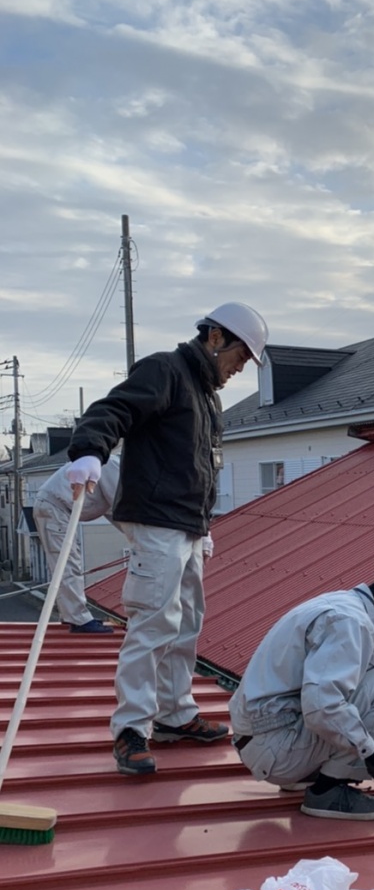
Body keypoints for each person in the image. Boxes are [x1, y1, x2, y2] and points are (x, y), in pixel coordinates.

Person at [64, 302, 268, 776]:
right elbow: (113, 409)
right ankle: (131, 728)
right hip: (157, 523)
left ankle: (175, 714)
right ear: (215, 337)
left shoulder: (205, 395)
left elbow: (199, 465)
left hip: (187, 527)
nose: (240, 368)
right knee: (154, 623)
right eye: (240, 356)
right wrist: (90, 451)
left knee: (186, 623)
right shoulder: (165, 371)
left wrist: (203, 526)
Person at [229, 558, 374, 821]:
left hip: (261, 740)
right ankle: (328, 791)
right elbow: (321, 706)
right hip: (276, 752)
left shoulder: (343, 604)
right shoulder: (351, 623)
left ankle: (308, 772)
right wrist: (370, 751)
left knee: (363, 686)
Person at [33, 453, 122, 633]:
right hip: (55, 508)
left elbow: (118, 515)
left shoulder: (113, 468)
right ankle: (78, 620)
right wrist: (144, 539)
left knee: (66, 563)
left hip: (55, 508)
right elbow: (122, 508)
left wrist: (139, 538)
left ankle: (72, 616)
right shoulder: (113, 466)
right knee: (67, 563)